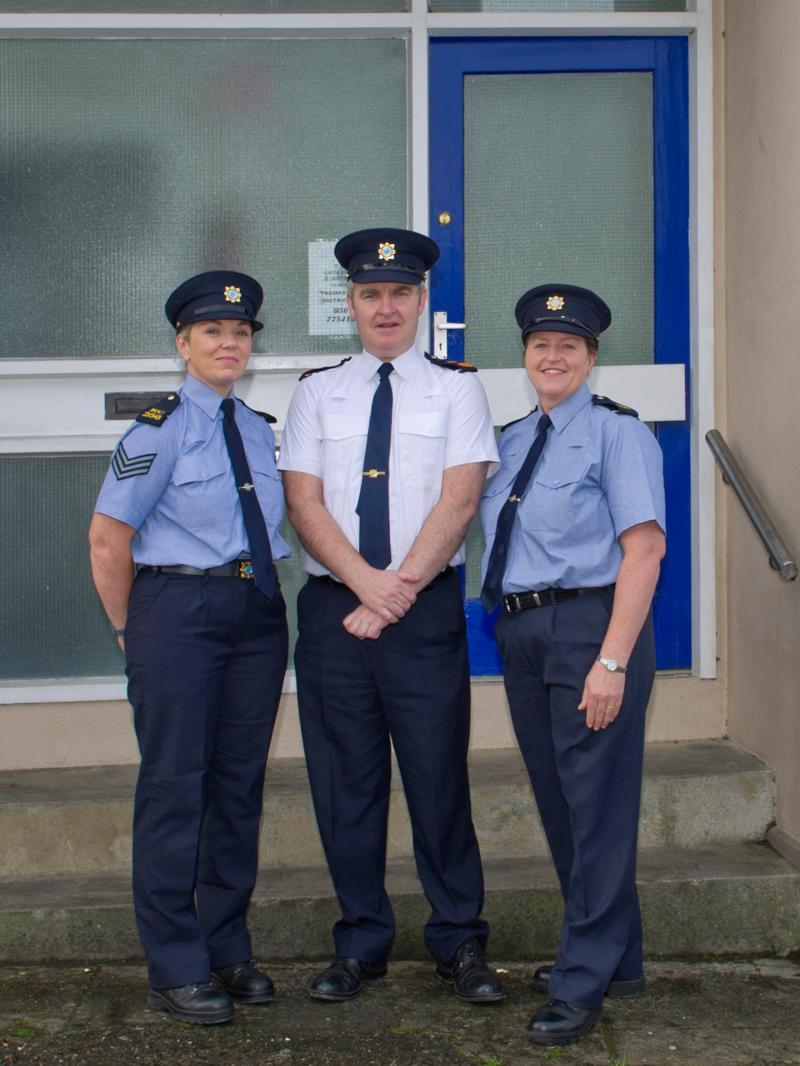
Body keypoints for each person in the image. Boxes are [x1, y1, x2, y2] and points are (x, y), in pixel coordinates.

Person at [278, 227, 504, 1004]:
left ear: (419, 301)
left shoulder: (457, 389)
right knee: (347, 786)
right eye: (371, 294)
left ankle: (460, 943)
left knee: (438, 778)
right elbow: (302, 503)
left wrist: (398, 588)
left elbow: (462, 496)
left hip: (423, 614)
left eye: (399, 293)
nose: (385, 307)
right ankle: (361, 944)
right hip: (336, 618)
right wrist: (366, 587)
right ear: (350, 303)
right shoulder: (317, 392)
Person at [88, 271, 290, 1025]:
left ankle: (225, 946)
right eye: (213, 332)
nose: (230, 343)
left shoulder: (255, 427)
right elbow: (109, 537)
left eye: (240, 333)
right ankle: (175, 965)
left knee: (237, 787)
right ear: (183, 344)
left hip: (256, 611)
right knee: (177, 787)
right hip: (176, 608)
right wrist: (128, 629)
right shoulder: (158, 428)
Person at [479, 284, 666, 1047]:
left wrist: (612, 661)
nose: (552, 357)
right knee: (562, 804)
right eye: (539, 346)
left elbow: (644, 549)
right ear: (525, 357)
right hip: (523, 634)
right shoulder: (516, 439)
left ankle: (581, 981)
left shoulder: (618, 436)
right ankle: (616, 958)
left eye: (569, 346)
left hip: (591, 628)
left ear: (592, 359)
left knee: (597, 809)